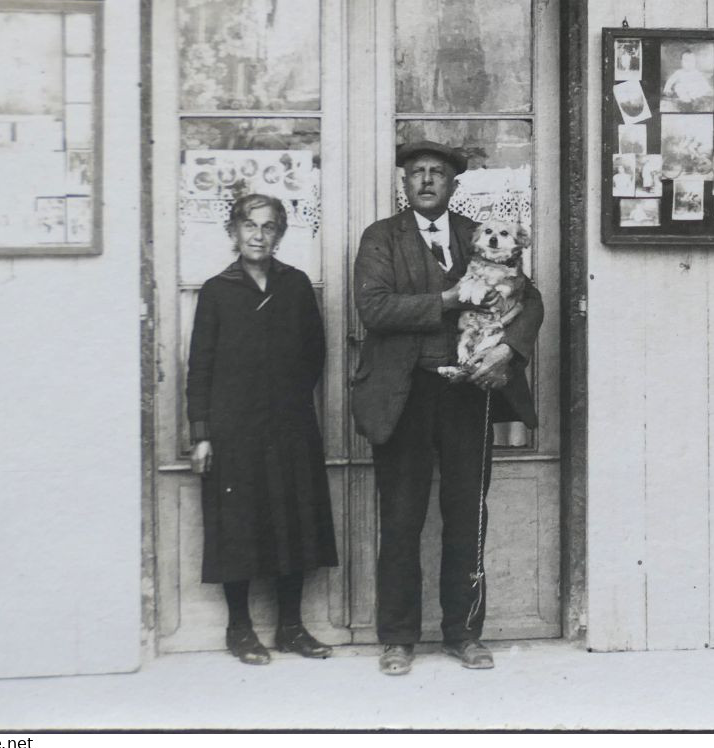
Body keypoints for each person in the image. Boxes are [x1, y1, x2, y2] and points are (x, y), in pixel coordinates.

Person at [352, 141, 544, 675]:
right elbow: (374, 307)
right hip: (404, 395)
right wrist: (450, 299)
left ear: (454, 184)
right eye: (418, 173)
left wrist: (509, 348)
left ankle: (464, 633)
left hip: (468, 393)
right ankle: (397, 638)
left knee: (466, 516)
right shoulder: (381, 238)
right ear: (405, 183)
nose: (428, 180)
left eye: (439, 173)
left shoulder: (474, 233)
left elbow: (530, 298)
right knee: (401, 517)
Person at [186, 193, 338, 665]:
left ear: (280, 234)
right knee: (239, 525)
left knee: (292, 523)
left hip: (289, 424)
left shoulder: (294, 286)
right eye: (249, 225)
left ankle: (291, 628)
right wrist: (202, 433)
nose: (258, 234)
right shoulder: (217, 290)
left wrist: (287, 397)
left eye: (268, 226)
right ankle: (240, 629)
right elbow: (200, 366)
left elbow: (316, 352)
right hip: (233, 429)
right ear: (233, 231)